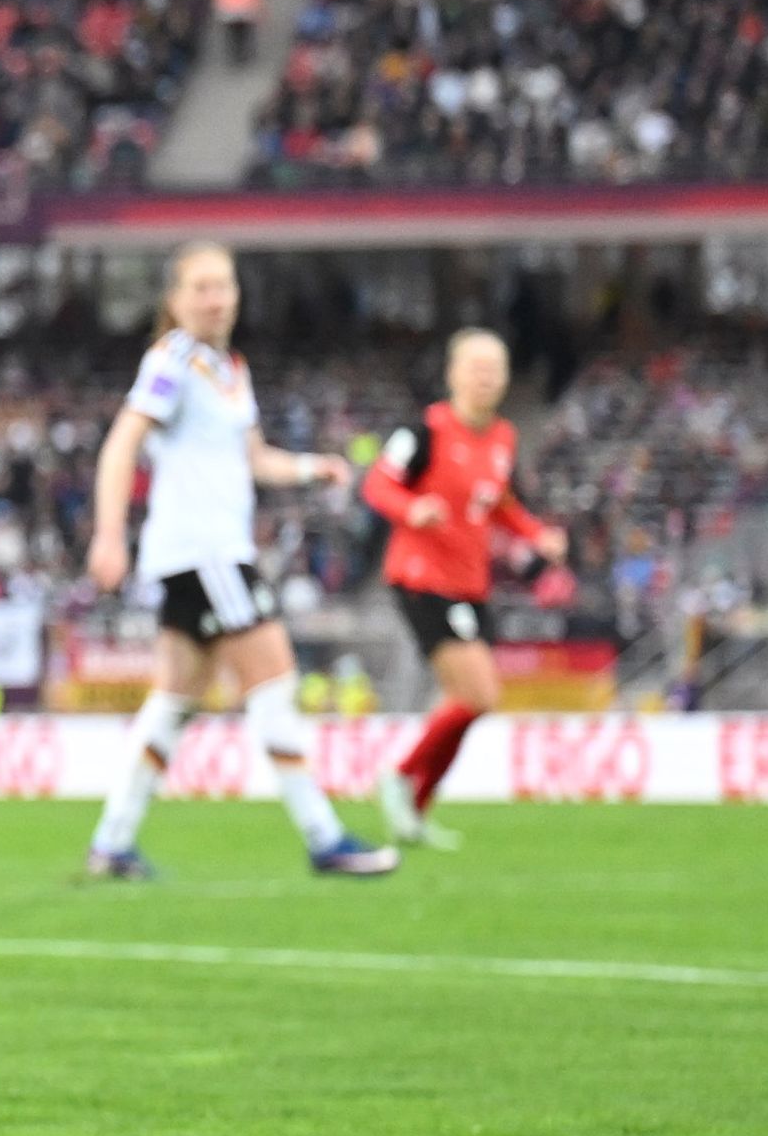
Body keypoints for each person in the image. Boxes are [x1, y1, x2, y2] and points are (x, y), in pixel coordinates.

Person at [79, 243, 396, 880]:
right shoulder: (172, 360)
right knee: (274, 681)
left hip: (206, 554)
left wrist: (313, 467)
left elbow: (255, 459)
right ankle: (324, 836)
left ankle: (112, 844)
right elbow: (122, 445)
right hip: (207, 555)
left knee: (176, 701)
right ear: (174, 300)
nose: (215, 298)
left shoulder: (229, 369)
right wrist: (109, 533)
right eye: (200, 287)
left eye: (223, 286)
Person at [362, 327, 565, 851]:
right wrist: (413, 509)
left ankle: (414, 808)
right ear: (453, 374)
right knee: (479, 693)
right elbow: (377, 484)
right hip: (421, 578)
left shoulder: (502, 439)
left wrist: (535, 533)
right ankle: (401, 775)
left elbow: (499, 504)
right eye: (476, 368)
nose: (486, 379)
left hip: (470, 584)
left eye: (495, 370)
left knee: (471, 702)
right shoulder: (425, 430)